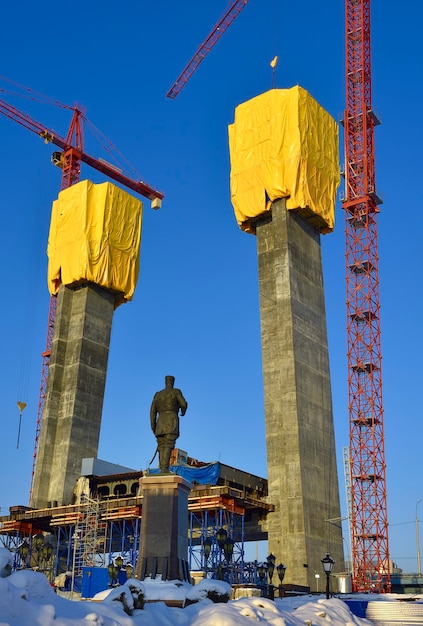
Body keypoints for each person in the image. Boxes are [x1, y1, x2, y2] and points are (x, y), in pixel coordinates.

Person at [150, 375, 188, 473]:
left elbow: (152, 412)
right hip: (171, 421)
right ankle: (164, 469)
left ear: (165, 382)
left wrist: (153, 426)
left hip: (160, 423)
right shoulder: (176, 392)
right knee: (168, 444)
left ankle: (162, 469)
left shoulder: (157, 394)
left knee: (161, 445)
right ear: (173, 383)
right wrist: (183, 411)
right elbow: (183, 404)